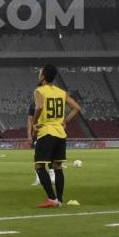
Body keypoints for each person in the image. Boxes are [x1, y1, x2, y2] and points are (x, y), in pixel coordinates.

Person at [29, 64, 82, 208]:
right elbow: (77, 108)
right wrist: (65, 121)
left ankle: (51, 199)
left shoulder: (39, 91)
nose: (39, 75)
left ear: (43, 77)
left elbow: (39, 107)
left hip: (46, 131)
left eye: (40, 73)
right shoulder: (61, 92)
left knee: (39, 165)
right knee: (57, 166)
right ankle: (59, 199)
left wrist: (34, 124)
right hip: (60, 133)